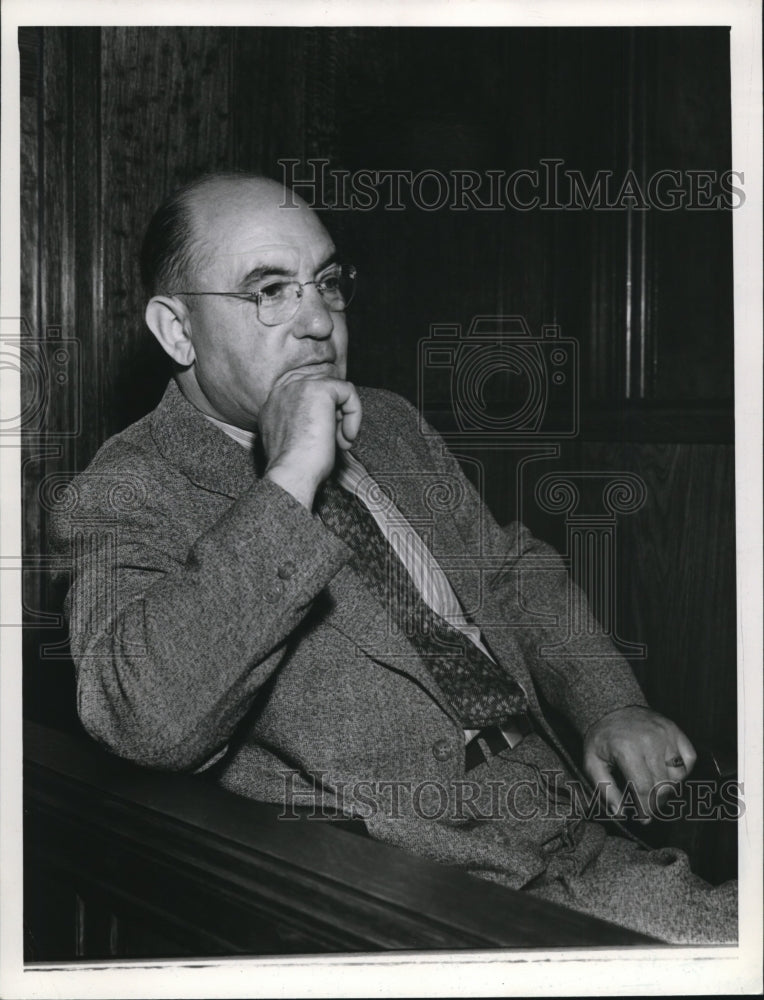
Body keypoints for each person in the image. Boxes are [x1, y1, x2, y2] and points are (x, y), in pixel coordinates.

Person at [52, 172, 736, 944]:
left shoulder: (391, 425)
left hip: (569, 806)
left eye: (327, 282)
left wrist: (609, 702)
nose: (317, 321)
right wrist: (288, 479)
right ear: (177, 331)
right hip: (409, 886)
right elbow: (142, 719)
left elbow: (510, 572)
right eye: (270, 291)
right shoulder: (125, 489)